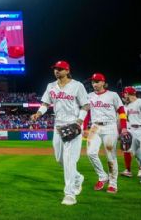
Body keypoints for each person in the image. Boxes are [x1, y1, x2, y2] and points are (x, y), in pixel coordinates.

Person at [31, 60, 89, 205]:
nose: (57, 71)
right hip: (58, 126)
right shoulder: (51, 86)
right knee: (59, 159)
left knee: (69, 160)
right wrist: (38, 113)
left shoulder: (77, 86)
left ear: (67, 71)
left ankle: (69, 194)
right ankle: (77, 178)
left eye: (60, 69)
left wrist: (79, 121)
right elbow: (45, 103)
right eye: (55, 69)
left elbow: (85, 105)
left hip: (73, 125)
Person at [83, 73, 127, 194]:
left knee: (110, 156)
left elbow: (122, 112)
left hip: (110, 126)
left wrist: (123, 128)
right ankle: (102, 176)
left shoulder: (112, 95)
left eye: (96, 82)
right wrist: (84, 127)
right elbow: (86, 113)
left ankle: (113, 183)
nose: (94, 84)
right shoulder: (89, 96)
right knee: (90, 153)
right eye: (92, 82)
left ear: (103, 82)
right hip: (95, 127)